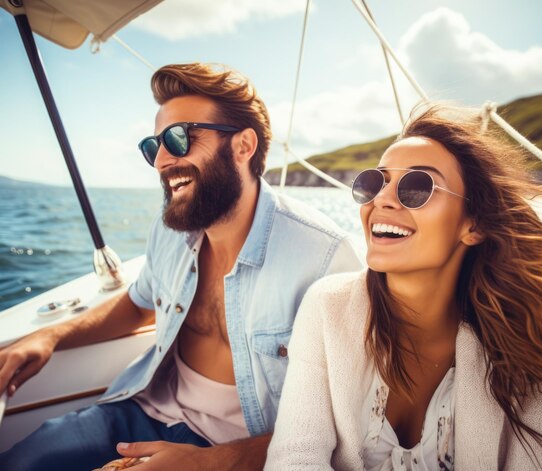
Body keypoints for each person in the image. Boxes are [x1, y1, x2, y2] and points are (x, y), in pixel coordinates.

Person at [0, 62, 362, 471]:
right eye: (154, 147)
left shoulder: (325, 259)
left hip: (240, 450)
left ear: (243, 146)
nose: (161, 162)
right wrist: (51, 336)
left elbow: (346, 425)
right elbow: (137, 306)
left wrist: (208, 463)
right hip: (144, 409)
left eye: (180, 138)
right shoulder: (170, 229)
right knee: (22, 462)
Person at [265, 104, 542, 470]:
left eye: (417, 187)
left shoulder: (541, 340)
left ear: (473, 225)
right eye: (373, 183)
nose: (382, 199)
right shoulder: (327, 306)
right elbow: (295, 459)